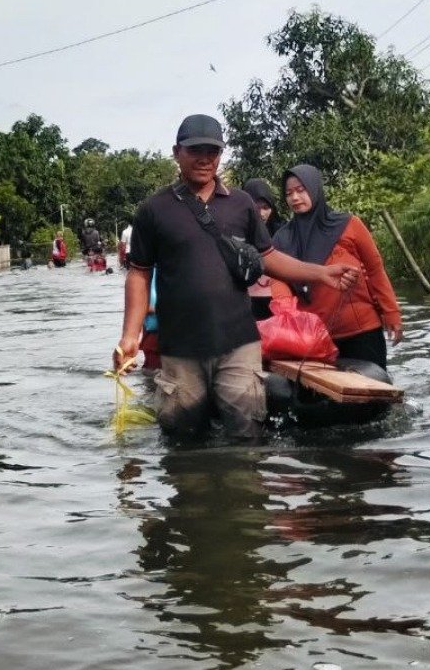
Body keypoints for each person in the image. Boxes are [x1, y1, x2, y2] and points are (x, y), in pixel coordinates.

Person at [113, 115, 360, 440]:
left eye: (213, 152)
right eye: (195, 150)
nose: (205, 158)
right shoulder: (154, 209)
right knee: (182, 435)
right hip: (180, 348)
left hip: (238, 343)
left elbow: (269, 258)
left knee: (247, 432)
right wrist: (130, 337)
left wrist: (322, 273)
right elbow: (140, 274)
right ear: (176, 152)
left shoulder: (241, 204)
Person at [269, 164, 402, 369]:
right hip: (314, 339)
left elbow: (375, 270)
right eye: (289, 194)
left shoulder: (349, 224)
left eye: (301, 190)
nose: (295, 198)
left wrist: (391, 313)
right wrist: (286, 309)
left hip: (361, 332)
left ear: (315, 189)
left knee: (372, 393)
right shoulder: (282, 238)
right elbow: (277, 275)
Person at [241, 179, 281, 321]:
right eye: (256, 208)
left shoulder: (283, 232)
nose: (262, 213)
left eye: (266, 207)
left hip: (277, 302)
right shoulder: (236, 234)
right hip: (245, 305)